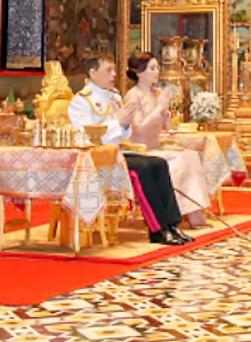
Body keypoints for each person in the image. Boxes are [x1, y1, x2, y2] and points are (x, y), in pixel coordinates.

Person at [68, 55, 192, 246]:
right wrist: (117, 121)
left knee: (159, 164)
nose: (113, 75)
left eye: (114, 70)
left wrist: (124, 124)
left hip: (117, 153)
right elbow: (85, 135)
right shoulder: (81, 101)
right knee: (142, 169)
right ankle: (157, 229)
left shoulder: (115, 97)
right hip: (97, 160)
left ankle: (171, 224)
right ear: (93, 73)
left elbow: (124, 135)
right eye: (108, 70)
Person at [123, 52, 213, 228]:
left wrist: (166, 110)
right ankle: (179, 214)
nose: (157, 72)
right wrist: (159, 107)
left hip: (156, 146)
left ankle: (195, 212)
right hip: (140, 150)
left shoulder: (156, 93)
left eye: (158, 68)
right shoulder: (133, 95)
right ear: (139, 72)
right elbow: (139, 128)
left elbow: (168, 127)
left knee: (190, 156)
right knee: (178, 160)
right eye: (152, 68)